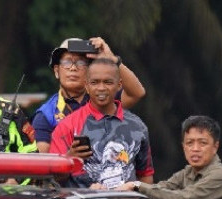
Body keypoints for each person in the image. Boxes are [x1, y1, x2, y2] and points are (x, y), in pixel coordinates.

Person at [49, 57, 154, 189]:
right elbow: (52, 180)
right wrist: (69, 160)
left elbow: (146, 176)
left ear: (119, 85)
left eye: (108, 82)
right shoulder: (67, 126)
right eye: (94, 82)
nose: (101, 88)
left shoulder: (137, 126)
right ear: (86, 86)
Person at [33, 37, 146, 153]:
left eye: (80, 62)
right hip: (69, 170)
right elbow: (43, 163)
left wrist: (113, 60)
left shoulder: (103, 98)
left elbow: (136, 93)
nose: (73, 68)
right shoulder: (45, 115)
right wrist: (69, 158)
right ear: (57, 71)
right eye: (67, 62)